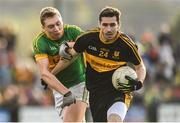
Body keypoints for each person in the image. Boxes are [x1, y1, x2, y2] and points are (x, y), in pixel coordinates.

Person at [58, 6, 146, 122]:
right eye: (105, 25)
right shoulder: (87, 39)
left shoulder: (126, 45)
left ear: (118, 25)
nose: (108, 29)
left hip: (118, 91)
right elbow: (69, 57)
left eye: (112, 25)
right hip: (96, 92)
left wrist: (139, 82)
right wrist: (52, 73)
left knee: (114, 120)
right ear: (99, 24)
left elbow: (140, 67)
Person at [32, 7, 88, 122]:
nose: (56, 29)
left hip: (80, 84)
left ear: (62, 21)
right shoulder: (40, 42)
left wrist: (69, 44)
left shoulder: (73, 31)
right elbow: (44, 73)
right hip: (59, 89)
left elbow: (89, 43)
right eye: (51, 26)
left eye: (58, 24)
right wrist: (66, 93)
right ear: (43, 28)